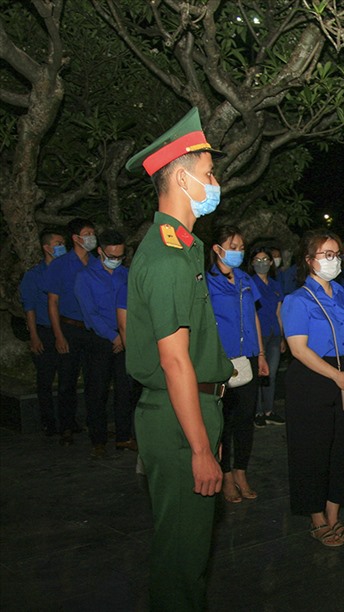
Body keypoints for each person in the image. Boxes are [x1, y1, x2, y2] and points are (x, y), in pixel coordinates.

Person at [124, 107, 234, 610]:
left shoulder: (184, 247)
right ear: (183, 177)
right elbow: (174, 362)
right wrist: (200, 449)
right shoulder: (168, 256)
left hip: (187, 409)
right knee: (182, 557)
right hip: (178, 417)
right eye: (209, 174)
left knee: (188, 552)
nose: (215, 184)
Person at [281, 229, 344, 547]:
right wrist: (337, 375)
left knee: (342, 448)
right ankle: (316, 517)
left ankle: (334, 514)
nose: (333, 260)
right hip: (312, 379)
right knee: (312, 449)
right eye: (325, 254)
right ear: (308, 260)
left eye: (336, 254)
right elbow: (299, 349)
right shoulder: (297, 300)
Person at [207, 226, 269, 503]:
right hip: (221, 362)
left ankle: (241, 471)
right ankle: (226, 475)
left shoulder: (245, 279)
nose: (239, 251)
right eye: (233, 246)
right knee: (224, 422)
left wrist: (261, 354)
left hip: (248, 359)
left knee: (245, 419)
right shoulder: (207, 282)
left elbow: (254, 316)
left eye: (242, 247)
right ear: (217, 249)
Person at [74, 228, 136, 457]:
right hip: (98, 341)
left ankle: (124, 437)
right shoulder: (84, 277)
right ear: (100, 251)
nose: (116, 261)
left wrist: (124, 335)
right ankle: (98, 440)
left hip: (125, 337)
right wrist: (114, 336)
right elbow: (90, 314)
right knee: (97, 391)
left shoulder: (126, 274)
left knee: (125, 391)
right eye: (112, 256)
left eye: (120, 256)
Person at [44, 217, 99, 446]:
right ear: (76, 238)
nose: (92, 237)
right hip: (69, 328)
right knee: (67, 381)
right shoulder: (60, 265)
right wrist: (58, 335)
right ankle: (66, 426)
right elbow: (52, 302)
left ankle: (95, 425)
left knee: (94, 380)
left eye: (93, 233)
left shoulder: (97, 263)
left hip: (93, 330)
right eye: (87, 233)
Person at [19, 228, 66, 436]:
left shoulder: (69, 271)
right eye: (58, 244)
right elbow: (29, 307)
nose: (61, 247)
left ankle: (68, 420)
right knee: (45, 380)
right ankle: (48, 422)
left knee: (67, 377)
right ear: (46, 247)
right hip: (44, 330)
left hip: (66, 328)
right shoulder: (33, 276)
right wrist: (34, 336)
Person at [248, 246, 286, 427]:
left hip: (274, 334)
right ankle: (257, 412)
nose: (261, 263)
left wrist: (283, 337)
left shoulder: (276, 284)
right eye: (257, 260)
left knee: (270, 374)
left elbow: (279, 312)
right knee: (258, 374)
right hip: (257, 335)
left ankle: (269, 410)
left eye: (265, 260)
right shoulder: (249, 283)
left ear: (271, 263)